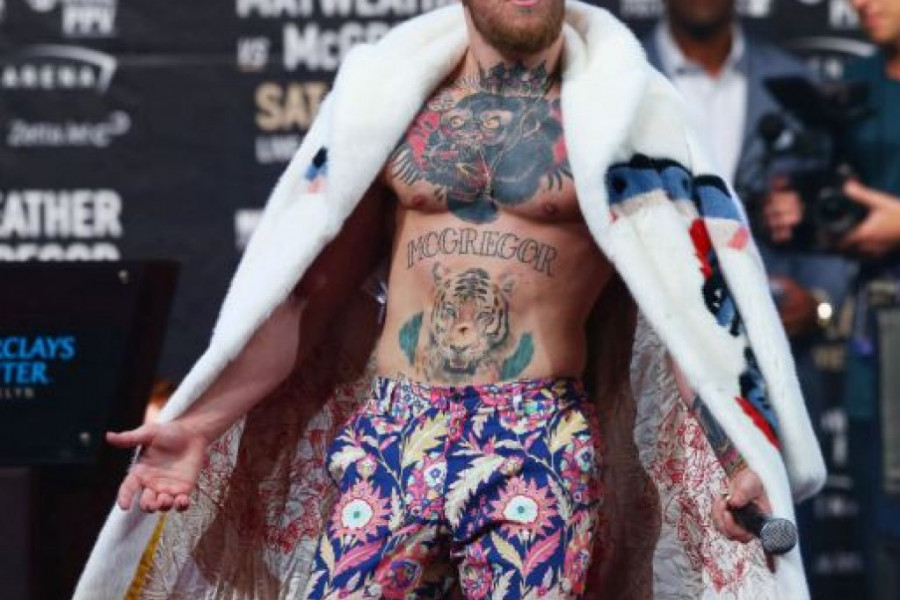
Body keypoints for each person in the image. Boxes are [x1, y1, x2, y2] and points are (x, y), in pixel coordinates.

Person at [74, 1, 825, 598]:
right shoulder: (392, 103)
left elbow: (686, 308)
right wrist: (200, 424)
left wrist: (739, 454)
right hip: (395, 428)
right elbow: (307, 296)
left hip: (539, 436)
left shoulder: (622, 116)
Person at [764, 0, 900, 594]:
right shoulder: (853, 86)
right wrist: (795, 211)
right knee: (882, 534)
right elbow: (839, 205)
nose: (859, 4)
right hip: (878, 334)